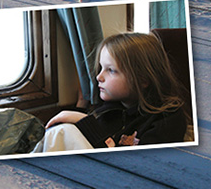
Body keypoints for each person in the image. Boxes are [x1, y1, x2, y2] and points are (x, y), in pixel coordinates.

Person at [37, 32, 187, 152]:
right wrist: (81, 106)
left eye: (111, 70)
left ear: (142, 80)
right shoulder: (111, 107)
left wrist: (84, 122)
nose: (98, 76)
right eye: (101, 67)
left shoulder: (167, 120)